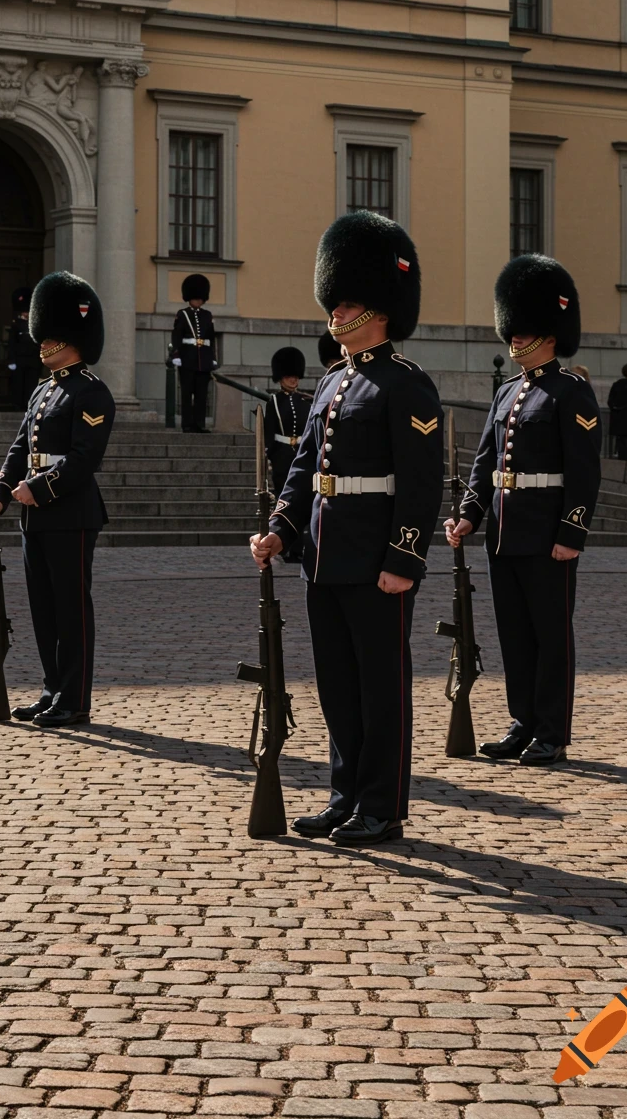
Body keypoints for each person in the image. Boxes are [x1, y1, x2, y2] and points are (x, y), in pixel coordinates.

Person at [250, 211, 445, 846]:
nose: (336, 313)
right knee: (336, 682)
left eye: (350, 302)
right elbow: (306, 466)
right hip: (324, 554)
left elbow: (420, 484)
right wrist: (281, 527)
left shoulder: (406, 384)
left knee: (380, 686)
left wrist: (404, 558)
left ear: (381, 311)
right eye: (335, 301)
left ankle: (380, 803)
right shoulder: (334, 379)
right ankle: (343, 794)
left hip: (375, 559)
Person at [445, 253, 602, 766]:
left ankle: (552, 730)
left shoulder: (570, 391)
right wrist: (470, 513)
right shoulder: (508, 391)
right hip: (506, 533)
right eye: (512, 328)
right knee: (514, 630)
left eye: (524, 329)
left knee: (550, 634)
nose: (513, 338)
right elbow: (485, 462)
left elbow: (584, 471)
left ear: (550, 334)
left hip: (546, 532)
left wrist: (571, 532)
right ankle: (523, 722)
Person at [0, 271, 115, 729]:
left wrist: (37, 490)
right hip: (33, 516)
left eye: (51, 337)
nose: (42, 344)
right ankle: (51, 689)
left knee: (71, 609)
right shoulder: (44, 389)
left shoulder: (91, 391)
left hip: (70, 513)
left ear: (72, 339)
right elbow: (21, 449)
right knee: (42, 606)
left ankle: (74, 698)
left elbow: (83, 459)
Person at [264, 347, 312, 565]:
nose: (293, 380)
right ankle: (286, 546)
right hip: (283, 456)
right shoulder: (274, 401)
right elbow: (269, 431)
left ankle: (299, 549)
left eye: (295, 376)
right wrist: (272, 454)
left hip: (301, 454)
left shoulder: (306, 401)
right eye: (288, 376)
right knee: (285, 502)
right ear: (280, 378)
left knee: (303, 501)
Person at [170, 274, 216, 433]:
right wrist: (176, 354)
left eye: (200, 298)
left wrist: (213, 358)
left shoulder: (207, 315)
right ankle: (187, 423)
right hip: (187, 358)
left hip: (203, 360)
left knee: (201, 394)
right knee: (187, 393)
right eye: (196, 298)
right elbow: (177, 335)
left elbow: (211, 338)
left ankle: (199, 423)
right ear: (189, 298)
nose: (198, 301)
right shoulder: (182, 314)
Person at [7, 286, 41, 410]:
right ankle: (17, 405)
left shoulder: (35, 324)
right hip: (20, 359)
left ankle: (29, 405)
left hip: (33, 360)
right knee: (18, 384)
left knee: (31, 385)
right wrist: (11, 360)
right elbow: (12, 344)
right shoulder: (16, 325)